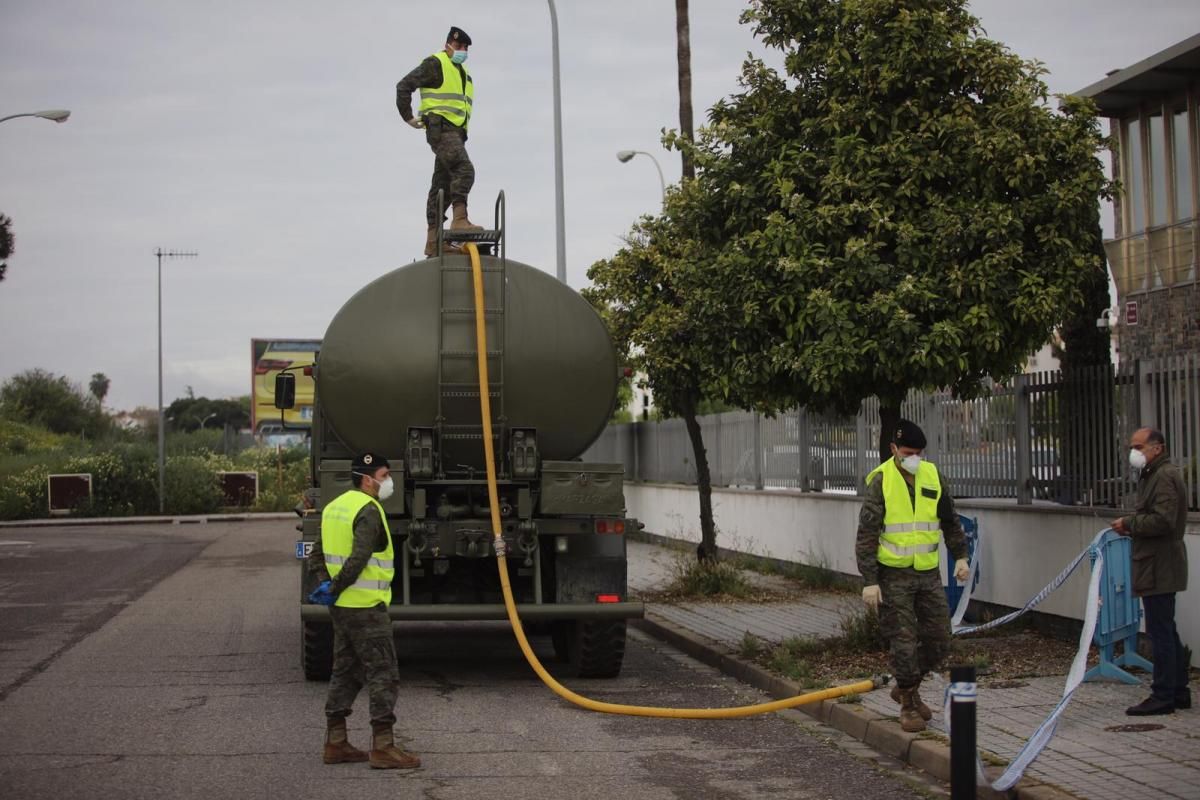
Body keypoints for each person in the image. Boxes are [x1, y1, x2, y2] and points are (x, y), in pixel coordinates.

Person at [306, 452, 420, 769]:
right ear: (367, 478)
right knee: (384, 674)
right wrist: (339, 584)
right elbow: (359, 558)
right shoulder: (368, 510)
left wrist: (328, 587)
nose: (388, 482)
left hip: (341, 609)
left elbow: (316, 555)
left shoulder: (333, 507)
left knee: (346, 672)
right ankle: (383, 748)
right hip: (366, 608)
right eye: (384, 475)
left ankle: (336, 742)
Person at [856, 419, 970, 733]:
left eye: (919, 452)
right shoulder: (881, 480)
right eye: (908, 452)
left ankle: (906, 687)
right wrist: (869, 580)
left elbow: (950, 520)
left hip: (928, 573)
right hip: (893, 576)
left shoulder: (932, 475)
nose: (914, 457)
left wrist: (960, 556)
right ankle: (907, 704)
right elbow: (867, 535)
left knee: (939, 641)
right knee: (903, 643)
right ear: (893, 449)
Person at [1112, 427, 1191, 715]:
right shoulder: (1153, 475)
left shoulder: (1164, 476)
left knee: (1160, 631)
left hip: (1160, 563)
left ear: (1157, 448)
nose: (1134, 453)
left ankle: (1163, 695)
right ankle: (1178, 690)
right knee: (1165, 629)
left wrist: (1129, 524)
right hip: (1154, 562)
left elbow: (1163, 521)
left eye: (1139, 447)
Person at [396, 26, 484, 257]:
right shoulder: (436, 64)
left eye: (465, 48)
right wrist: (408, 117)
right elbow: (404, 86)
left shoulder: (462, 73)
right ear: (448, 44)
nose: (462, 50)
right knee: (464, 170)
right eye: (459, 46)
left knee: (441, 187)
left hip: (455, 134)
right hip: (441, 129)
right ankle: (459, 220)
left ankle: (433, 241)